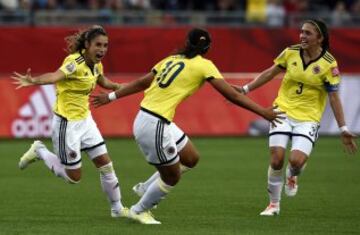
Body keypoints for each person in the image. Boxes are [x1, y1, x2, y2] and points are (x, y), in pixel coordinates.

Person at [91, 28, 284, 224]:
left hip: (152, 118)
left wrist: (112, 96)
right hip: (155, 123)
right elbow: (232, 95)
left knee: (190, 158)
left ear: (187, 42)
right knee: (172, 176)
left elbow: (142, 83)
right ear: (208, 47)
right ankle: (139, 210)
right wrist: (263, 112)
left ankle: (147, 187)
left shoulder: (170, 59)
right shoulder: (204, 65)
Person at [234, 19, 357, 216]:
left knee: (295, 161)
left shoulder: (329, 64)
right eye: (301, 32)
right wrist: (245, 88)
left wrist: (343, 128)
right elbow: (270, 72)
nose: (302, 36)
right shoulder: (290, 52)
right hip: (282, 111)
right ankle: (273, 205)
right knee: (276, 159)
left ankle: (293, 175)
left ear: (320, 38)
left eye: (308, 33)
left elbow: (334, 97)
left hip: (308, 118)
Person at [12, 25, 128, 218]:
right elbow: (55, 76)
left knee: (106, 165)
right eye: (98, 45)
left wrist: (121, 87)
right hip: (67, 124)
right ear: (87, 45)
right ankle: (39, 150)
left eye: (105, 45)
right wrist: (35, 81)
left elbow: (104, 82)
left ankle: (117, 209)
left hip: (86, 121)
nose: (102, 49)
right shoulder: (75, 62)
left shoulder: (97, 65)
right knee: (74, 178)